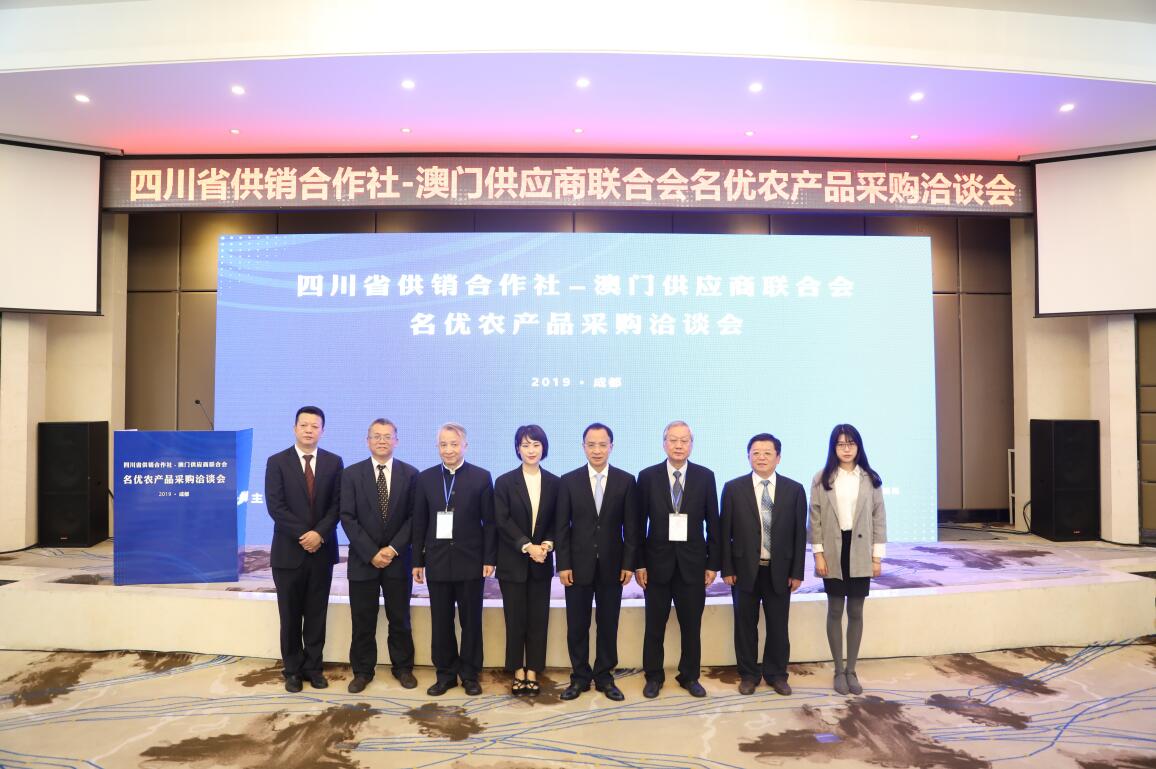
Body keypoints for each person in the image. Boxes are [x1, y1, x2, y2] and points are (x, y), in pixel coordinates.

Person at [634, 421, 719, 699]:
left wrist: (712, 564)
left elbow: (713, 524)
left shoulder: (705, 477)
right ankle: (653, 676)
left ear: (691, 445)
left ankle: (689, 676)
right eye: (673, 440)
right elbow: (637, 524)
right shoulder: (647, 477)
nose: (678, 445)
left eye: (684, 440)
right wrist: (639, 563)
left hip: (693, 566)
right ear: (664, 444)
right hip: (656, 565)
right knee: (654, 626)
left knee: (691, 627)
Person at [411, 423, 496, 697]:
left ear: (465, 446)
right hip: (437, 562)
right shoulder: (425, 479)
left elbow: (490, 523)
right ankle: (445, 674)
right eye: (443, 444)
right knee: (441, 622)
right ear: (437, 447)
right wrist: (417, 561)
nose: (449, 449)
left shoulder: (481, 477)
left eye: (454, 444)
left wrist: (489, 558)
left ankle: (470, 675)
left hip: (471, 562)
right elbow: (419, 523)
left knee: (471, 622)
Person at [554, 422, 637, 702]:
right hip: (577, 566)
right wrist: (563, 564)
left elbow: (631, 528)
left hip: (613, 566)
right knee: (577, 626)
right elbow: (561, 527)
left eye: (603, 445)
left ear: (611, 447)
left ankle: (604, 677)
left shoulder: (626, 481)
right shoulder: (568, 481)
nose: (597, 450)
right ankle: (579, 677)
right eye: (591, 445)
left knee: (608, 624)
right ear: (583, 447)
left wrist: (628, 563)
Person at [720, 433, 806, 696]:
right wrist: (727, 568)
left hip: (780, 571)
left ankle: (777, 674)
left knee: (778, 626)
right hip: (744, 570)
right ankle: (748, 674)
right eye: (755, 453)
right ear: (748, 456)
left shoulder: (794, 490)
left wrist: (797, 572)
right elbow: (725, 532)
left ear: (778, 458)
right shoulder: (733, 488)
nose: (761, 458)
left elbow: (799, 535)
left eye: (767, 453)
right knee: (745, 626)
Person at [264, 406, 344, 693]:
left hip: (321, 551)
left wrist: (319, 534)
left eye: (315, 426)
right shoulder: (277, 462)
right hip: (288, 553)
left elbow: (338, 505)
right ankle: (292, 671)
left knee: (316, 614)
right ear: (295, 428)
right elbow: (276, 506)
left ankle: (313, 668)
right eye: (304, 425)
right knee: (290, 616)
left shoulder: (334, 462)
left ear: (322, 430)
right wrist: (304, 534)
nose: (309, 430)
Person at [338, 418, 419, 693]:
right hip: (363, 561)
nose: (382, 441)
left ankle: (403, 668)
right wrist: (372, 552)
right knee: (363, 621)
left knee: (400, 619)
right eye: (376, 436)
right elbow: (347, 517)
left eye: (387, 436)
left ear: (397, 440)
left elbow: (414, 518)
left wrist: (393, 549)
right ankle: (362, 671)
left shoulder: (411, 474)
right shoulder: (351, 474)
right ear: (367, 441)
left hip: (398, 559)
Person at [810, 423, 887, 696]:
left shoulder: (870, 478)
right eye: (841, 444)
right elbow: (814, 519)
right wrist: (818, 554)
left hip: (860, 550)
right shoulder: (822, 478)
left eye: (851, 443)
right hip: (833, 550)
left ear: (858, 446)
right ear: (833, 447)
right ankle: (838, 670)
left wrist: (877, 557)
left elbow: (879, 518)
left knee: (856, 611)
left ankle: (852, 670)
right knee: (834, 610)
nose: (846, 449)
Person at [494, 424, 559, 696]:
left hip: (541, 562)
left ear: (544, 448)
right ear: (517, 449)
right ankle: (517, 670)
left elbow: (558, 520)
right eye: (525, 445)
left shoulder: (555, 482)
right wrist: (527, 546)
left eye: (536, 444)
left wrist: (546, 545)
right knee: (515, 620)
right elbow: (502, 520)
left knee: (538, 620)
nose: (531, 450)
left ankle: (533, 670)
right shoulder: (504, 482)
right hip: (513, 563)